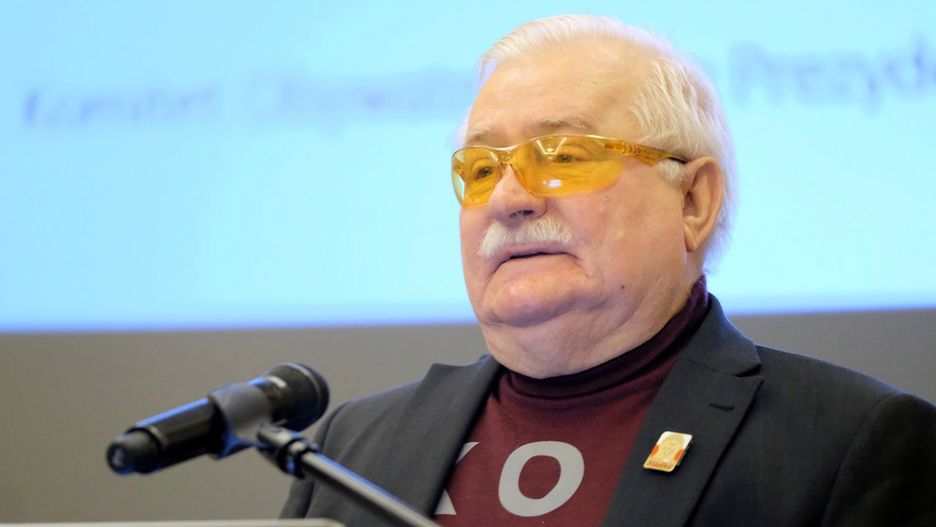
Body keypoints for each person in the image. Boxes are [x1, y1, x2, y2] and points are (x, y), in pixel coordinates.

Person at [281, 15, 936, 526]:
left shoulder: (847, 444)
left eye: (564, 155)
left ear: (693, 201)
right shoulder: (353, 447)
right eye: (481, 169)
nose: (507, 199)